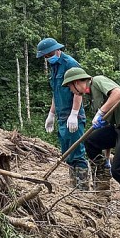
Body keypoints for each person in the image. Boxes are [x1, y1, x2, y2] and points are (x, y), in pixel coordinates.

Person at [62, 67, 120, 214]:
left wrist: (101, 112)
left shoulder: (97, 81)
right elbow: (108, 127)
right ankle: (103, 179)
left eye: (70, 87)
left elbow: (118, 94)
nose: (72, 91)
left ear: (76, 82)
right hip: (119, 129)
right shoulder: (93, 96)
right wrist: (106, 159)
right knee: (91, 140)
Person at [35, 37, 89, 190]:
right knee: (67, 153)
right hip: (61, 116)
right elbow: (56, 91)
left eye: (49, 54)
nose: (48, 58)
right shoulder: (55, 68)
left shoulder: (70, 64)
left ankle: (83, 188)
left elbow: (80, 90)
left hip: (73, 116)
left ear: (57, 50)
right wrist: (51, 114)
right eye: (45, 56)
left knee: (77, 151)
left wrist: (74, 113)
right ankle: (74, 187)